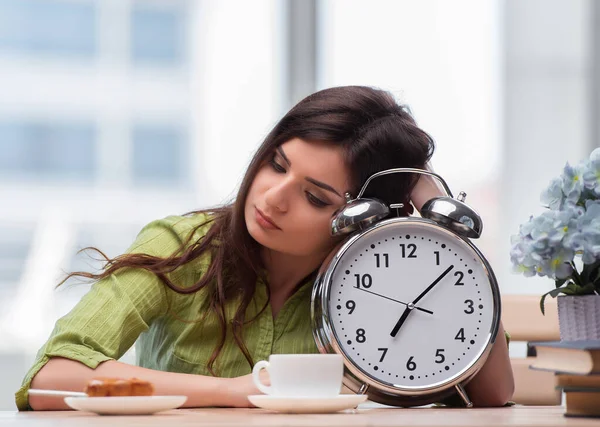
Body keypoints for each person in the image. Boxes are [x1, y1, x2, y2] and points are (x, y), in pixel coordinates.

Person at [16, 85, 514, 411]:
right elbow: (53, 376)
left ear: (355, 220)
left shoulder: (375, 284)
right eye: (277, 165)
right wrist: (230, 392)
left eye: (314, 197)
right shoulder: (183, 247)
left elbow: (493, 393)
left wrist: (440, 219)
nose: (272, 199)